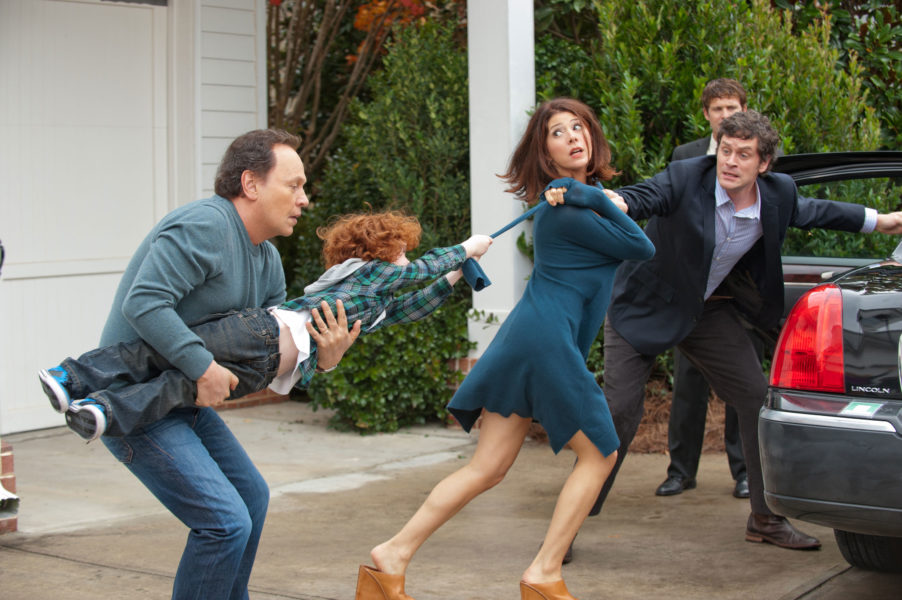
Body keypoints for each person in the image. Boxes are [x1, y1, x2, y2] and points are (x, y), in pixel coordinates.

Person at [354, 98, 655, 600]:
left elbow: (619, 222)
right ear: (545, 154)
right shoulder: (567, 212)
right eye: (557, 132)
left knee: (487, 467)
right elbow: (642, 247)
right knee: (602, 453)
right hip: (545, 341)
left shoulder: (576, 202)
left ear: (592, 134)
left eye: (578, 126)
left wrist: (595, 196)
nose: (572, 136)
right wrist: (596, 198)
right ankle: (544, 572)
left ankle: (393, 554)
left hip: (527, 337)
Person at [590, 110, 902, 552]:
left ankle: (765, 519)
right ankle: (576, 514)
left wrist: (882, 221)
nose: (730, 162)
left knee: (756, 400)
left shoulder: (778, 193)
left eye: (743, 154)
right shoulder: (686, 176)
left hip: (706, 311)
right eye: (726, 151)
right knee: (620, 412)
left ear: (764, 164)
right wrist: (614, 201)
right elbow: (646, 195)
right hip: (643, 307)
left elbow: (816, 211)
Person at [79, 129, 359, 600]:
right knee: (225, 523)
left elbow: (266, 354)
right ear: (250, 184)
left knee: (252, 498)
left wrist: (324, 360)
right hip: (132, 403)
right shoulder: (205, 225)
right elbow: (144, 303)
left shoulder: (267, 260)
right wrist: (203, 367)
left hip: (181, 402)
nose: (304, 199)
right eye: (293, 185)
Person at [38, 211, 492, 441]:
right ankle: (71, 376)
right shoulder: (367, 274)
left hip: (264, 368)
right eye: (402, 251)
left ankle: (101, 410)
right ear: (378, 254)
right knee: (152, 354)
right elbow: (416, 274)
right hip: (259, 332)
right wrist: (465, 248)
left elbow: (414, 304)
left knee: (177, 387)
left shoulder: (377, 306)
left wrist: (456, 276)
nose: (409, 259)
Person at [661, 78, 751, 499]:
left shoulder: (759, 155)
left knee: (742, 386)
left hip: (740, 293)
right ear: (706, 114)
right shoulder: (686, 155)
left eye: (732, 107)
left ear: (744, 110)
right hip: (693, 292)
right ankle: (681, 471)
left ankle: (745, 473)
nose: (725, 115)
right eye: (717, 109)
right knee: (688, 386)